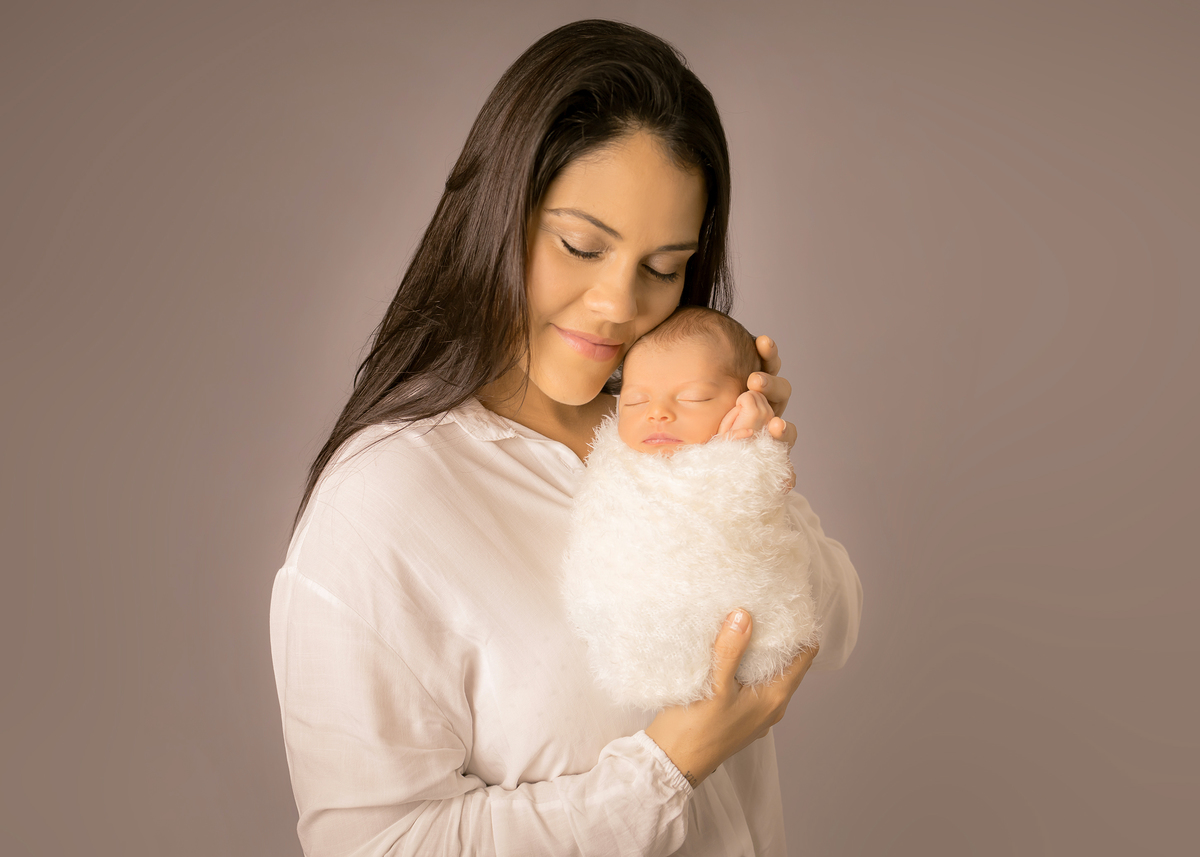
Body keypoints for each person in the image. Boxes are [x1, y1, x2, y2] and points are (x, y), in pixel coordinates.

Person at [269, 19, 862, 857]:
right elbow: (378, 846)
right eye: (581, 246)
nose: (619, 304)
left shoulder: (660, 429)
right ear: (499, 216)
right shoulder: (380, 506)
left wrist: (747, 480)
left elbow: (833, 626)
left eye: (663, 268)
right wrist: (667, 766)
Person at [562, 306, 823, 712]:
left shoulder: (745, 450)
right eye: (635, 401)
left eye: (693, 397)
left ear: (744, 404)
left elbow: (836, 615)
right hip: (630, 635)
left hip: (743, 637)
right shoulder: (612, 460)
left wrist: (748, 457)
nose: (657, 412)